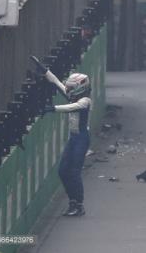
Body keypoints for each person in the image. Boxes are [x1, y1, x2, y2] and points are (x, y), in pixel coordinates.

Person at [44, 70, 92, 217]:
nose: (68, 90)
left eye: (71, 88)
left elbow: (71, 107)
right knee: (62, 171)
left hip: (82, 139)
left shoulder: (85, 101)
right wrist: (46, 72)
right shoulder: (74, 96)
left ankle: (79, 205)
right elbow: (58, 84)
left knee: (74, 172)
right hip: (73, 138)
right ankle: (72, 201)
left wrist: (54, 108)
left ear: (80, 88)